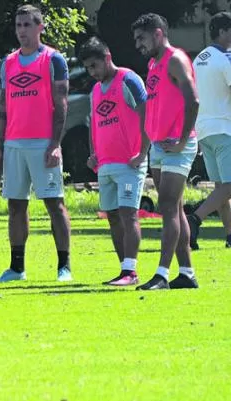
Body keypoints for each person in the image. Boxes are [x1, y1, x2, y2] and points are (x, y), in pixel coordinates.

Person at [0, 5, 72, 283]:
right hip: (14, 144)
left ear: (40, 27)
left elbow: (61, 106)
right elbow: (2, 106)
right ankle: (16, 268)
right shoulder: (8, 62)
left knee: (53, 204)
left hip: (42, 144)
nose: (21, 31)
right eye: (18, 25)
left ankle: (64, 267)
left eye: (27, 25)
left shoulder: (53, 60)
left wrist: (55, 143)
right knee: (16, 206)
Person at [132, 13, 199, 290]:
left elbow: (193, 100)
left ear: (158, 33)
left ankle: (161, 274)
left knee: (168, 206)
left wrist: (183, 140)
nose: (138, 44)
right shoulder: (153, 64)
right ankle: (187, 273)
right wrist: (145, 148)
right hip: (160, 145)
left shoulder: (174, 59)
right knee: (175, 208)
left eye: (141, 38)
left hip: (176, 145)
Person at [79, 38, 149, 286]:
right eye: (88, 67)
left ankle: (131, 271)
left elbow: (146, 115)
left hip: (129, 164)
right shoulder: (96, 90)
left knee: (129, 214)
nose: (92, 72)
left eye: (95, 65)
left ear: (107, 57)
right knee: (113, 217)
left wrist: (142, 153)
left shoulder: (128, 80)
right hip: (106, 165)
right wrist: (93, 153)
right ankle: (123, 270)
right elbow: (93, 124)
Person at [188, 12, 231, 249]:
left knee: (222, 187)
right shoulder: (230, 59)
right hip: (226, 129)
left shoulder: (199, 58)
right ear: (221, 32)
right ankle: (195, 218)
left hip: (204, 130)